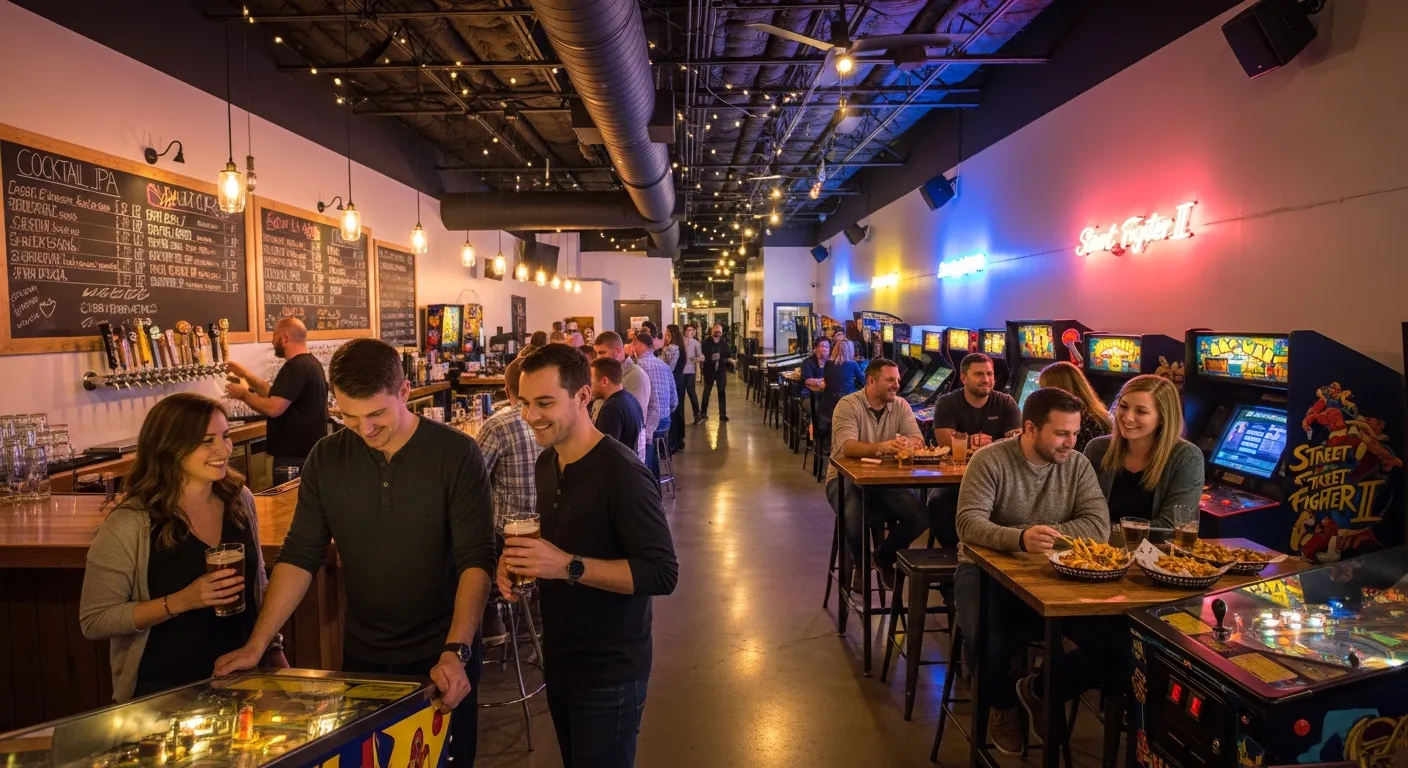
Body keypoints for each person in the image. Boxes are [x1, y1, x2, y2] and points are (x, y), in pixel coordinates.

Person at [215, 338, 496, 766]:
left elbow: (476, 560)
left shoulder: (455, 454)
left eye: (377, 414)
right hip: (363, 655)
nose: (364, 430)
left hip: (442, 655)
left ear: (404, 393)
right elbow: (299, 555)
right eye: (348, 416)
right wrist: (257, 644)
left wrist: (457, 651)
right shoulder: (326, 457)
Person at [500, 344, 678, 767]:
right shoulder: (547, 464)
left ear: (584, 396)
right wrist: (512, 567)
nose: (531, 416)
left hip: (611, 669)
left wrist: (564, 565)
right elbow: (559, 544)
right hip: (560, 657)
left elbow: (662, 573)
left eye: (545, 402)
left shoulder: (623, 474)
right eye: (525, 403)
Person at [80, 393, 282, 701]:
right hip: (163, 693)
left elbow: (259, 587)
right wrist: (182, 600)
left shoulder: (239, 500)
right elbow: (95, 620)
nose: (224, 449)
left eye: (225, 436)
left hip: (244, 682)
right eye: (207, 441)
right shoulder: (130, 522)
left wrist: (274, 650)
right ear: (169, 448)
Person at [952, 387, 1116, 755]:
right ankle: (1002, 705)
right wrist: (1020, 538)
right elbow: (968, 524)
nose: (1070, 443)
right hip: (984, 569)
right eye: (1061, 433)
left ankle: (1040, 690)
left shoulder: (1077, 464)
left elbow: (1097, 527)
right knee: (985, 636)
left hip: (1056, 573)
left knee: (1115, 643)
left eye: (1075, 433)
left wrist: (1042, 537)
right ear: (1029, 428)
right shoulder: (990, 460)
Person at [825, 358, 927, 590]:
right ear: (871, 380)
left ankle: (882, 557)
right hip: (843, 480)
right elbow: (848, 446)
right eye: (890, 380)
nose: (897, 385)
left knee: (920, 516)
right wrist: (883, 446)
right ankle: (861, 568)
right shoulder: (848, 404)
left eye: (898, 380)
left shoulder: (901, 405)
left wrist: (908, 443)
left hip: (884, 481)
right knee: (854, 515)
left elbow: (917, 439)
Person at [926, 353, 1025, 546]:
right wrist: (977, 441)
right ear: (963, 378)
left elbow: (1017, 440)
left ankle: (990, 553)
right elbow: (945, 441)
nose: (986, 379)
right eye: (979, 374)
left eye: (990, 374)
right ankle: (958, 553)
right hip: (954, 478)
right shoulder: (947, 402)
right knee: (937, 503)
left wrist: (973, 442)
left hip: (996, 476)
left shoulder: (1006, 402)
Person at [1084, 374, 1203, 529]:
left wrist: (1112, 531)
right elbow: (1083, 510)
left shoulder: (1186, 456)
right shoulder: (1098, 449)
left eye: (1141, 411)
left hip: (1158, 550)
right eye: (1124, 406)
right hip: (1098, 549)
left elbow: (1171, 525)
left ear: (1162, 417)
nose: (1127, 417)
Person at [224, 317, 327, 475]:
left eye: (274, 336)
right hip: (307, 453)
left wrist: (243, 394)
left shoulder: (295, 368)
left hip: (294, 456)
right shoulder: (310, 363)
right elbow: (275, 394)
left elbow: (273, 408)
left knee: (288, 499)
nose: (272, 342)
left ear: (284, 338)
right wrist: (245, 374)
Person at [476, 359, 544, 530]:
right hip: (548, 530)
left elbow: (470, 484)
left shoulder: (497, 427)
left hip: (507, 534)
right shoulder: (553, 420)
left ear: (507, 391)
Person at [594, 331, 652, 459]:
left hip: (626, 453)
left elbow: (631, 419)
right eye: (597, 353)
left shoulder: (635, 376)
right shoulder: (614, 375)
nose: (598, 358)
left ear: (618, 350)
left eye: (602, 353)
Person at [630, 332, 679, 478]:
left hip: (647, 425)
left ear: (639, 344)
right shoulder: (664, 366)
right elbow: (674, 401)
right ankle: (654, 479)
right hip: (665, 423)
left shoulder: (636, 368)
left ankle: (645, 480)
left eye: (634, 344)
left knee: (635, 439)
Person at [1038, 360, 1112, 452]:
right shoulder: (1093, 413)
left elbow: (1067, 460)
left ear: (1057, 390)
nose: (1042, 397)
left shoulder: (1080, 420)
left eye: (1043, 389)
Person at [591, 357, 644, 451]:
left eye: (591, 381)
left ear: (604, 381)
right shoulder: (631, 400)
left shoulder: (611, 408)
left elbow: (606, 452)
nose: (589, 386)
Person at [699, 323, 735, 423]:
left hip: (721, 371)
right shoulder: (706, 343)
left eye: (720, 330)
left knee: (722, 392)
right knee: (707, 391)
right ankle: (703, 413)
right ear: (712, 330)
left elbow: (729, 356)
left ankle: (722, 414)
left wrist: (730, 361)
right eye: (716, 330)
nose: (718, 332)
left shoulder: (724, 343)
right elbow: (702, 356)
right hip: (709, 371)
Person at [661, 325, 687, 452]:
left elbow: (668, 368)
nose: (665, 335)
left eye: (667, 333)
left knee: (673, 411)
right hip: (679, 382)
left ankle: (674, 442)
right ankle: (678, 440)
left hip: (674, 382)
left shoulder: (673, 348)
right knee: (678, 411)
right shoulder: (679, 348)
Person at [681, 324, 703, 424]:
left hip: (690, 371)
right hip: (681, 371)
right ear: (684, 331)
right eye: (688, 330)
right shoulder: (680, 342)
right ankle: (679, 415)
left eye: (692, 330)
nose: (690, 332)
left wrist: (696, 359)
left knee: (691, 393)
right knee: (680, 394)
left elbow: (702, 357)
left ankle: (697, 414)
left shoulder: (696, 343)